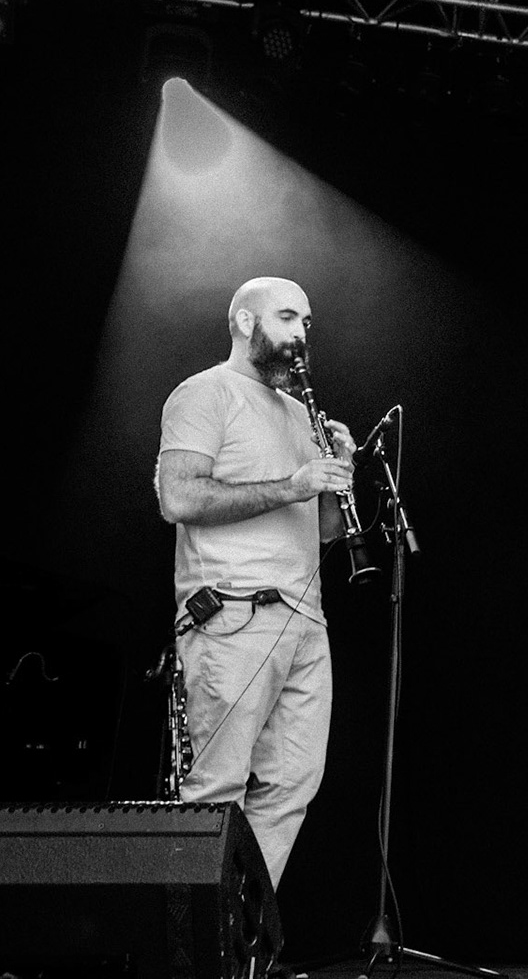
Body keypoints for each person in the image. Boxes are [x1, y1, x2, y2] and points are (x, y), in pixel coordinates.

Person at [154, 276, 355, 888]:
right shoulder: (203, 393)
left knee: (293, 784)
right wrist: (293, 484)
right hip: (234, 612)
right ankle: (188, 947)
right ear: (246, 322)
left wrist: (337, 476)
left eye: (307, 323)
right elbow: (179, 498)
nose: (301, 335)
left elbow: (322, 532)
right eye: (288, 318)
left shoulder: (302, 414)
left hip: (304, 618)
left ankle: (238, 937)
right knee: (218, 788)